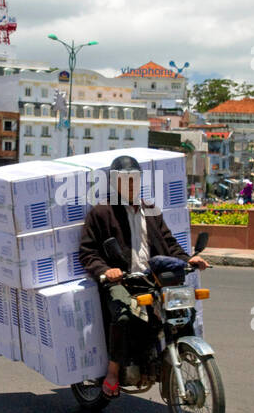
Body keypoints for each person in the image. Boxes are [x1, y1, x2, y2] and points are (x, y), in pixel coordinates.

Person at [79, 155, 209, 398]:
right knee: (125, 316)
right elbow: (88, 252)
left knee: (181, 312)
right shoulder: (101, 213)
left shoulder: (151, 210)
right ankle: (113, 372)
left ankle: (175, 357)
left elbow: (170, 244)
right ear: (114, 183)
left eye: (135, 179)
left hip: (152, 278)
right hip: (121, 281)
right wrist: (106, 270)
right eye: (125, 180)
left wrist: (188, 259)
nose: (131, 184)